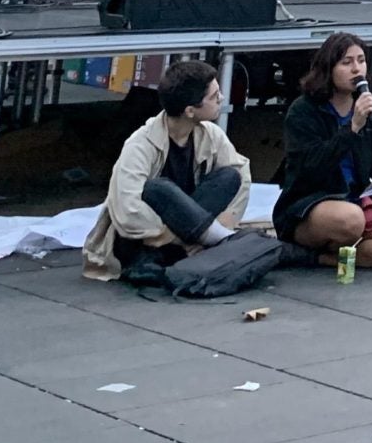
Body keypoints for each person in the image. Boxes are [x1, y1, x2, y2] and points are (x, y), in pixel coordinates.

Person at [83, 59, 251, 282]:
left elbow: (241, 174)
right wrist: (177, 237)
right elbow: (127, 208)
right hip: (148, 238)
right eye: (213, 96)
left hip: (191, 226)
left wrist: (226, 220)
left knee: (230, 176)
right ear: (190, 110)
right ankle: (208, 242)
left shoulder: (210, 134)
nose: (221, 99)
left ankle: (211, 238)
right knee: (159, 189)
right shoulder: (140, 144)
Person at [274, 32, 372, 271]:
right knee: (351, 220)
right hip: (310, 203)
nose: (356, 69)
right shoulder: (304, 111)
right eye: (346, 62)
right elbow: (310, 168)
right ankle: (310, 246)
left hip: (356, 198)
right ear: (328, 68)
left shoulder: (371, 106)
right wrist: (352, 129)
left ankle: (319, 258)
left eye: (361, 60)